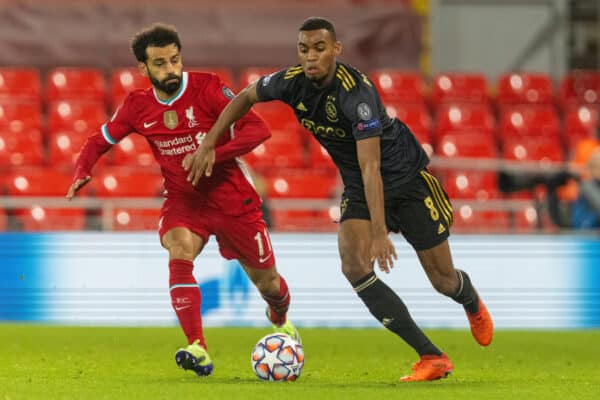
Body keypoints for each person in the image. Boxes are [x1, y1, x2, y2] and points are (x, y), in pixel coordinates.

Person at [183, 17, 494, 382]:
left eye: (319, 49)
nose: (310, 57)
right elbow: (246, 97)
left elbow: (371, 164)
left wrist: (380, 232)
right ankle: (431, 356)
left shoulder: (356, 95)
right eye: (303, 50)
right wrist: (208, 143)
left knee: (443, 281)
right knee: (354, 267)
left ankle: (469, 299)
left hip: (406, 181)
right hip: (360, 187)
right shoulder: (291, 82)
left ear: (336, 50)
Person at [65, 23, 299, 377]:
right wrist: (83, 168)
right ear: (143, 69)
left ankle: (279, 316)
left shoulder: (207, 87)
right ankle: (198, 348)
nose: (171, 69)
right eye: (159, 63)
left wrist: (214, 153)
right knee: (178, 248)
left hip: (233, 199)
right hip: (184, 201)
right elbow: (98, 140)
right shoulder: (136, 106)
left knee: (270, 285)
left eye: (175, 60)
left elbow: (258, 129)